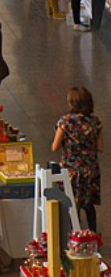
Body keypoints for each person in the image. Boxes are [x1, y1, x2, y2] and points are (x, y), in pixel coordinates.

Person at [52, 87, 103, 232]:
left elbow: (54, 147)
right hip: (91, 169)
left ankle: (75, 235)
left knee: (72, 204)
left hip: (71, 170)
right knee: (89, 205)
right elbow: (100, 147)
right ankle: (93, 235)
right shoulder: (95, 122)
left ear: (72, 103)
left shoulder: (65, 122)